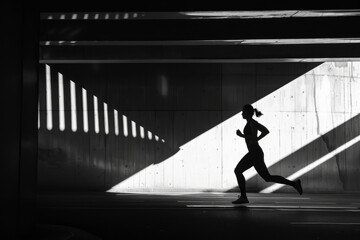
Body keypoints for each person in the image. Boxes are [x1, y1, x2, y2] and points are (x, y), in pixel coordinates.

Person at [232, 104, 303, 204]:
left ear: (248, 113)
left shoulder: (252, 123)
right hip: (255, 153)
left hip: (254, 153)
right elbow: (257, 134)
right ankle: (294, 184)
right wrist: (249, 137)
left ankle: (244, 197)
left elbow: (264, 131)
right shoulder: (251, 123)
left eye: (243, 112)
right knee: (267, 177)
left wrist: (245, 136)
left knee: (238, 170)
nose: (241, 113)